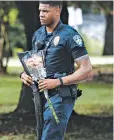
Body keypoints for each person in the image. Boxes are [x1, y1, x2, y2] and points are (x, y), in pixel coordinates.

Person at [20, 1, 93, 140]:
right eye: (40, 10)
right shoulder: (38, 34)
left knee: (50, 136)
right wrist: (25, 74)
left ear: (58, 10)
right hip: (40, 96)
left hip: (61, 97)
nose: (41, 14)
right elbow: (36, 64)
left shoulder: (69, 35)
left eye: (45, 11)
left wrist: (58, 81)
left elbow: (87, 70)